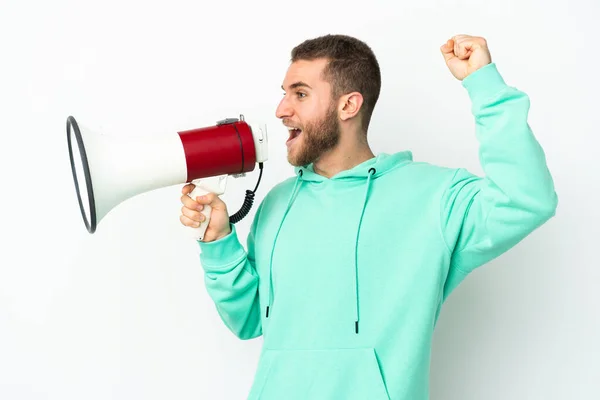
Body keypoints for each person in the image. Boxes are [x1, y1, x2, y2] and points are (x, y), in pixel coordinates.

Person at [179, 34, 557, 400]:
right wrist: (219, 242)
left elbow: (526, 199)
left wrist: (484, 86)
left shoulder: (435, 198)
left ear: (349, 105)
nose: (281, 110)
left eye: (300, 93)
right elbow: (247, 321)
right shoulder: (277, 204)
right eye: (284, 93)